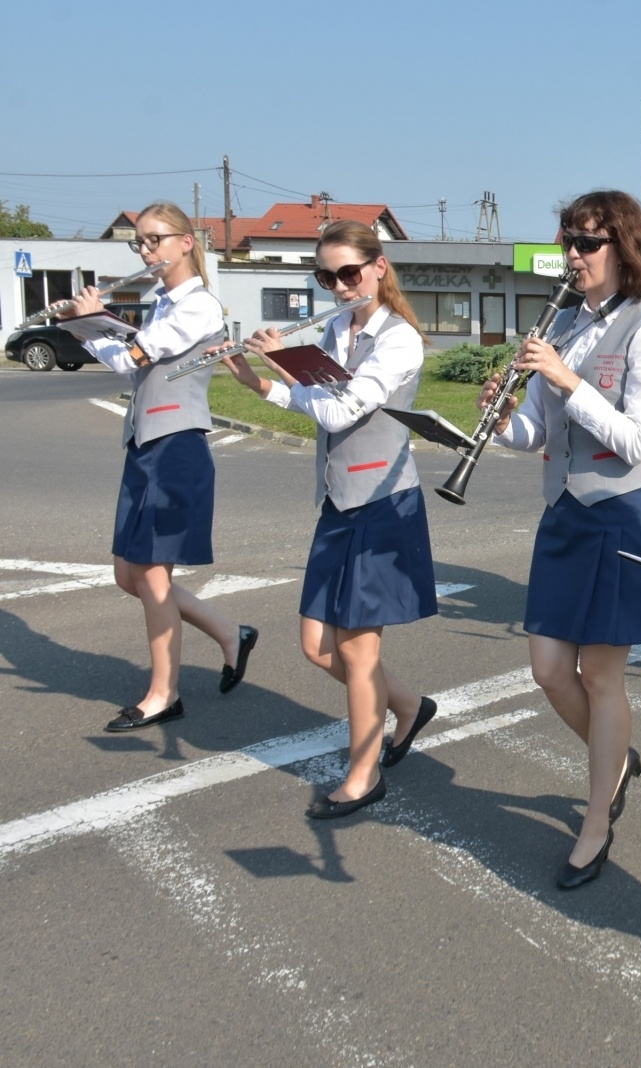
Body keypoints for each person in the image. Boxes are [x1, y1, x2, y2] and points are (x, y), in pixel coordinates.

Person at [485, 190, 641, 888]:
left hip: (624, 510)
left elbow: (635, 438)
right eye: (569, 239)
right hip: (565, 510)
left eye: (588, 242)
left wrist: (566, 381)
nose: (573, 254)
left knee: (601, 675)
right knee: (547, 670)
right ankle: (617, 759)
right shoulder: (563, 322)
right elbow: (538, 432)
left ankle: (597, 820)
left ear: (623, 248)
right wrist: (502, 421)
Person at [222, 220, 436, 819]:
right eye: (327, 276)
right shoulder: (337, 330)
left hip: (384, 501)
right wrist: (253, 379)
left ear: (378, 267)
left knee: (359, 651)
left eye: (349, 273)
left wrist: (288, 364)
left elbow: (343, 408)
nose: (340, 287)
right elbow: (314, 401)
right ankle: (411, 706)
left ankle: (363, 776)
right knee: (317, 646)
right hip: (339, 501)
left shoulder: (400, 341)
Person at [67, 201, 256, 731]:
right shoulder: (161, 303)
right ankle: (228, 631)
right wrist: (82, 326)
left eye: (154, 240)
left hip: (176, 448)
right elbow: (130, 362)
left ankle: (163, 693)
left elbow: (136, 356)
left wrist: (90, 324)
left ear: (184, 242)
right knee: (128, 574)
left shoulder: (198, 307)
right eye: (140, 243)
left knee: (151, 576)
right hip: (144, 445)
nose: (146, 251)